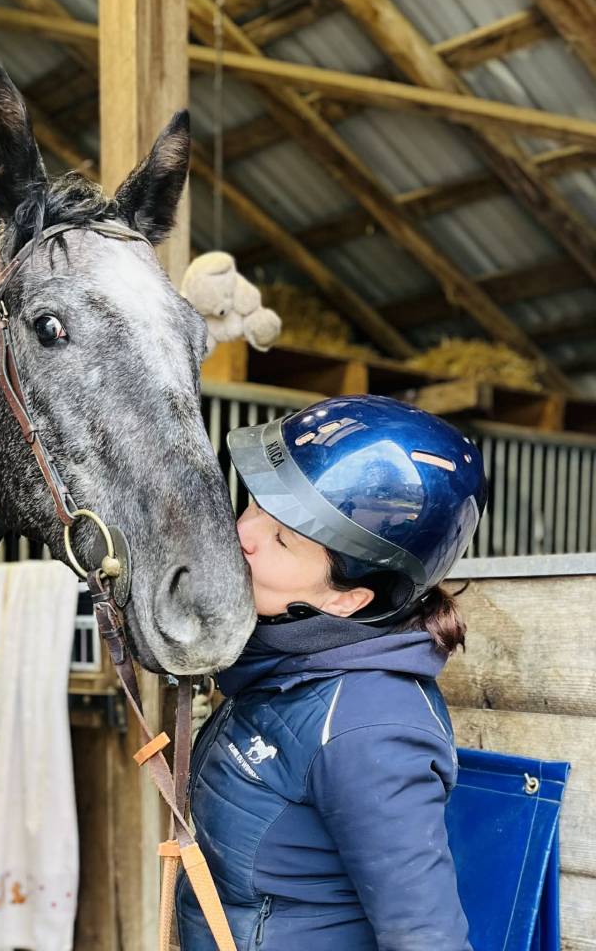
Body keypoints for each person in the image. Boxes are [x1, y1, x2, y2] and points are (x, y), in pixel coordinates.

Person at [175, 394, 487, 951]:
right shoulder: (286, 667)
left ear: (348, 600)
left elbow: (425, 937)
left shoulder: (371, 732)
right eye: (254, 505)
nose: (243, 533)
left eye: (282, 539)